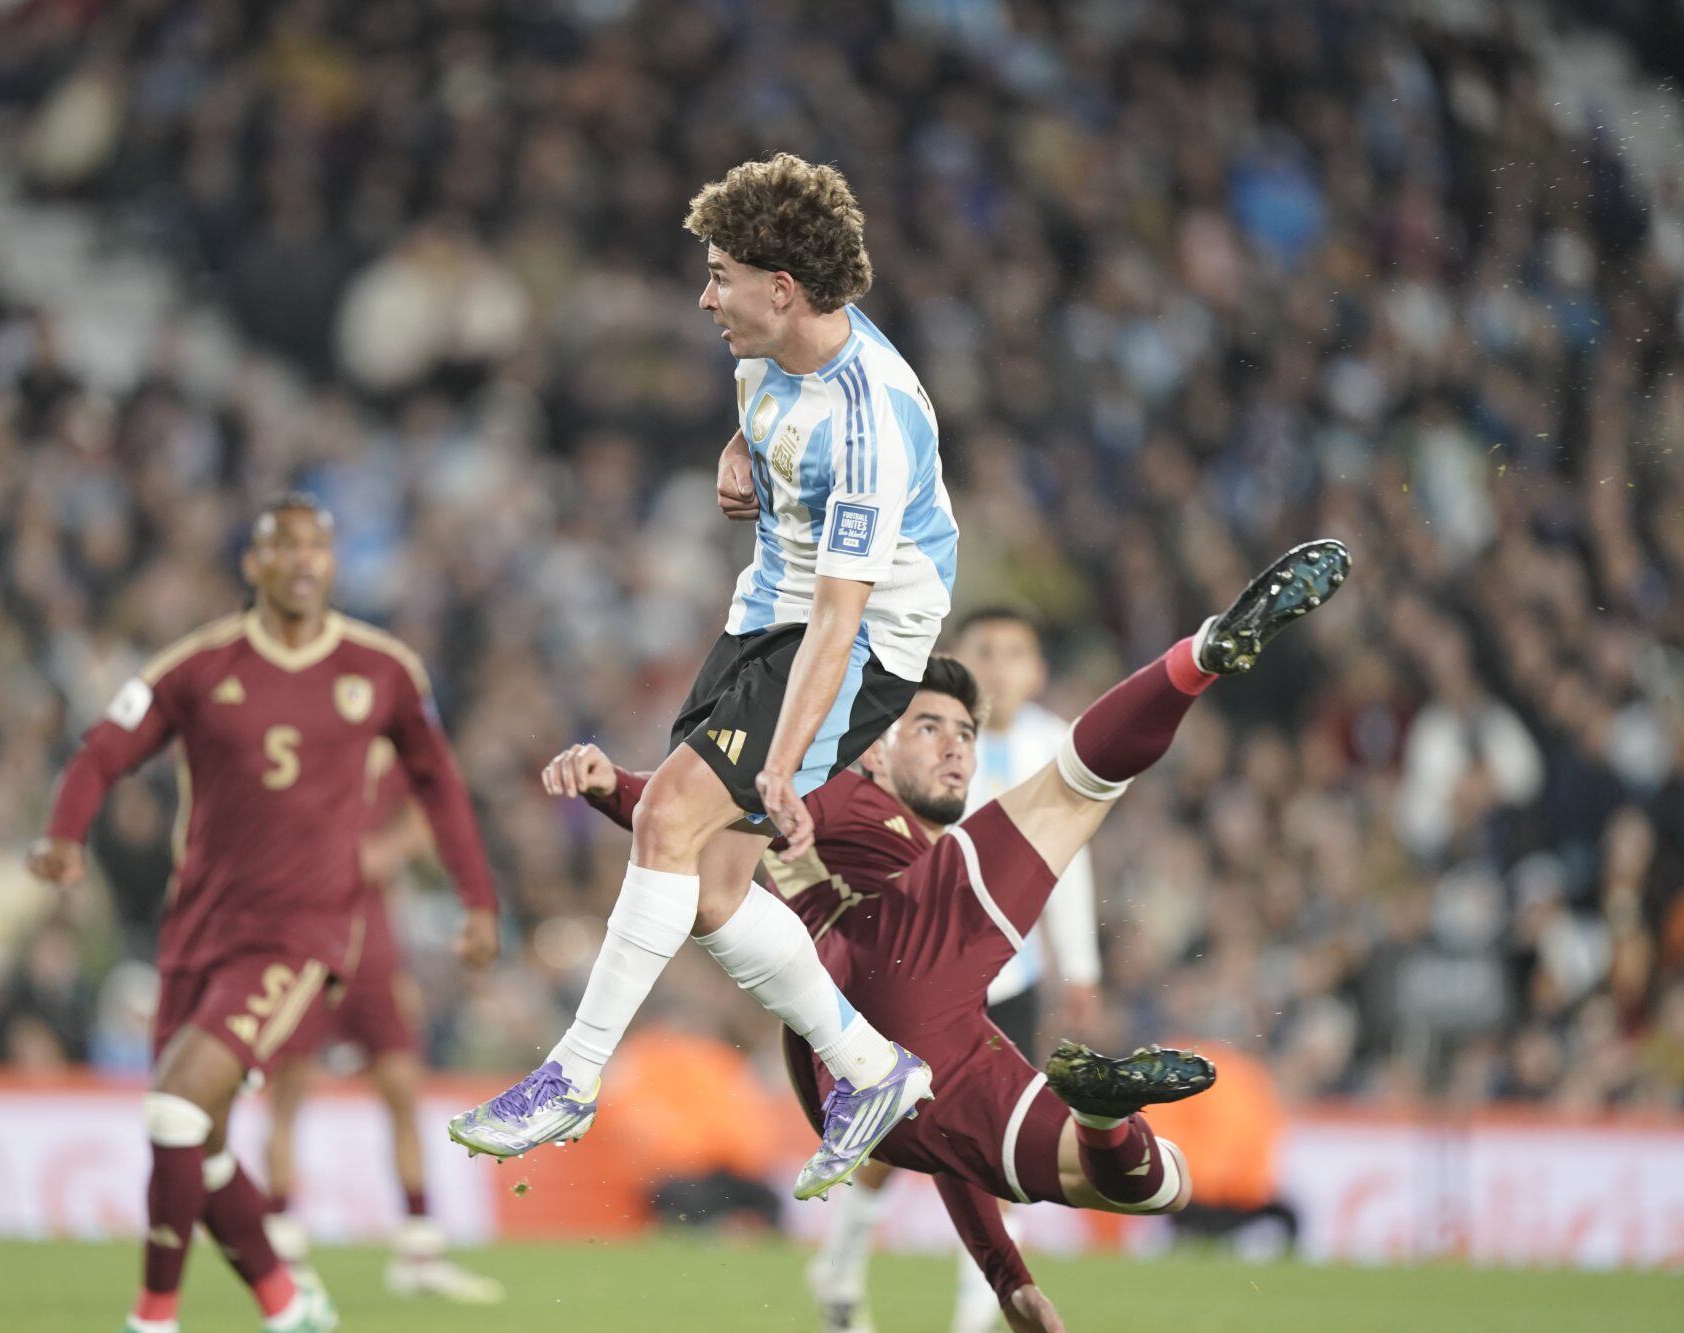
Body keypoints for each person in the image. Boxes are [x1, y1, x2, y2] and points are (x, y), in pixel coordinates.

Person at [545, 541, 1351, 1332]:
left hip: (873, 1073)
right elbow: (697, 809)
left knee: (1157, 1183)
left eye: (966, 732)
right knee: (1074, 787)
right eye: (928, 726)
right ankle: (1203, 654)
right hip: (877, 956)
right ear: (873, 747)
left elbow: (946, 1145)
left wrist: (1010, 1279)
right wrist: (617, 784)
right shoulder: (840, 791)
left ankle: (1103, 1115)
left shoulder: (909, 842)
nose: (957, 746)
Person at [450, 153, 960, 1201]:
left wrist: (782, 764)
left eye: (721, 273)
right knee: (716, 889)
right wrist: (740, 449)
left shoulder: (873, 421)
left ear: (782, 287)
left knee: (666, 823)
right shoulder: (762, 355)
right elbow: (777, 431)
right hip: (761, 614)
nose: (704, 294)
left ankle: (570, 1074)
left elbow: (841, 615)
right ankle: (869, 1069)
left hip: (855, 639)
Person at [28, 495, 500, 1333]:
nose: (304, 560)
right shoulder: (200, 667)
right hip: (197, 930)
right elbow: (104, 747)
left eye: (319, 545)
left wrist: (477, 897)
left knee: (174, 1107)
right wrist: (66, 836)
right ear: (253, 564)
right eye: (285, 546)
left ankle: (153, 1318)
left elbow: (439, 784)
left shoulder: (382, 668)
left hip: (302, 934)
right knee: (195, 1142)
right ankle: (289, 1304)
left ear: (333, 562)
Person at [812, 607, 1104, 1332]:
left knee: (981, 1141)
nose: (1001, 667)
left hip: (1011, 978)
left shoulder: (1050, 743)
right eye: (986, 652)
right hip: (916, 974)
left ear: (1037, 671)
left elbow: (1071, 858)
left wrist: (1083, 970)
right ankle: (843, 1262)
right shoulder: (915, 738)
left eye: (1017, 652)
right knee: (896, 1140)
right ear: (958, 662)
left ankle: (981, 1309)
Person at [261, 743, 505, 1306]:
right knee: (289, 1092)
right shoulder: (299, 741)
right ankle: (282, 1247)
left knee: (401, 1089)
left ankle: (420, 1251)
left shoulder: (390, 751)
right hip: (304, 944)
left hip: (373, 948)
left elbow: (430, 809)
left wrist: (388, 849)